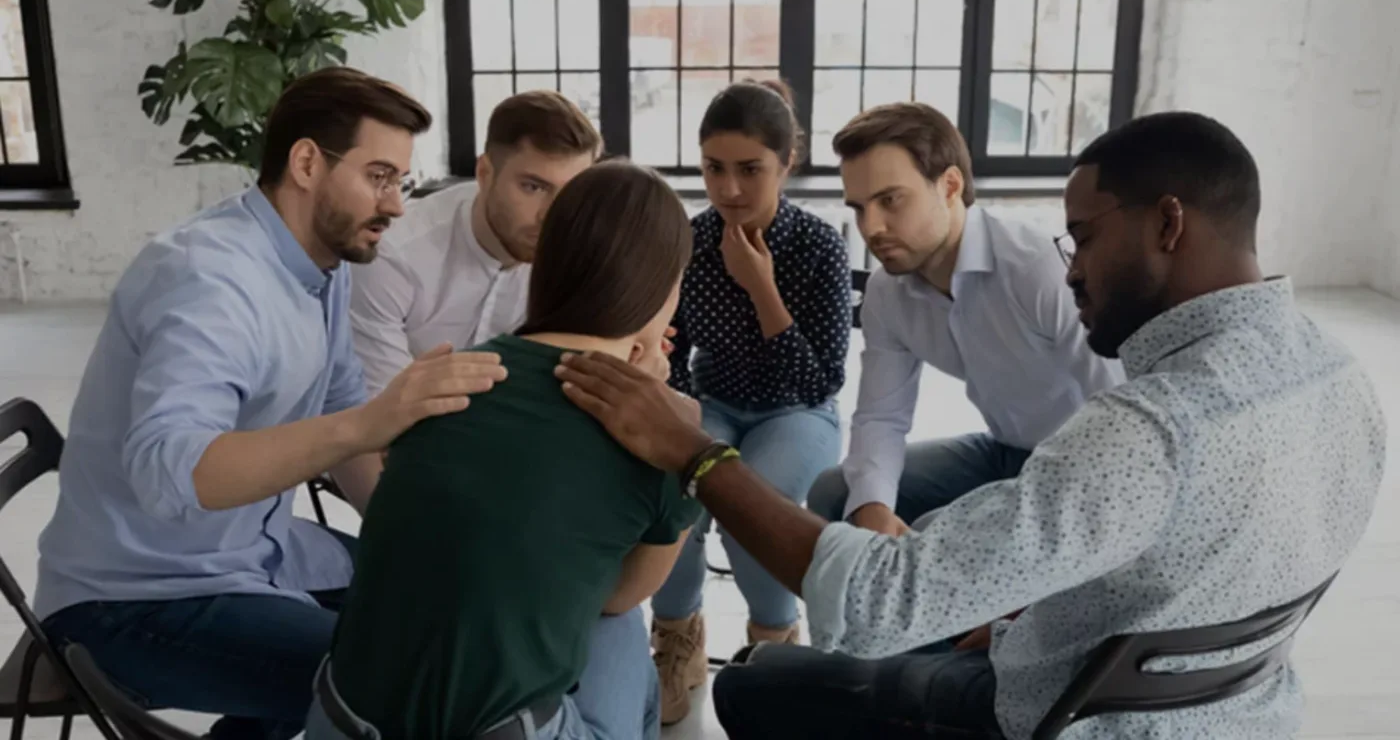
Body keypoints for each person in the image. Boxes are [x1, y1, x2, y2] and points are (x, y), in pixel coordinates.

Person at [555, 112, 1387, 739]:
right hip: (1223, 699)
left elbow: (881, 600)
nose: (1075, 268)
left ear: (1168, 225)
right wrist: (1019, 600)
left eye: (1085, 238)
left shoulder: (1144, 426)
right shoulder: (1337, 373)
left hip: (1067, 712)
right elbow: (887, 417)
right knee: (850, 499)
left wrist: (697, 455)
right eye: (859, 206)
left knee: (749, 685)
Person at [34, 68, 508, 740]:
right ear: (307, 163)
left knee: (442, 601)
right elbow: (171, 470)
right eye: (378, 176)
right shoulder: (209, 279)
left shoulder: (322, 263)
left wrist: (408, 534)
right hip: (134, 598)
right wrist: (366, 425)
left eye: (400, 182)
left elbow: (343, 399)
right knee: (405, 680)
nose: (396, 206)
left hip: (253, 552)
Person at [305, 161, 701, 740]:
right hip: (496, 732)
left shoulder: (450, 374)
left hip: (340, 715)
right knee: (620, 634)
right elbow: (620, 596)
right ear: (667, 288)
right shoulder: (669, 436)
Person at [805, 102, 1123, 538]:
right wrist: (873, 508)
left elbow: (1117, 403)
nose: (872, 227)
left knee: (938, 531)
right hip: (1003, 452)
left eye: (890, 200)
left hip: (1083, 464)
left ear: (950, 186)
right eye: (859, 208)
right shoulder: (886, 293)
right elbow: (881, 416)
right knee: (837, 494)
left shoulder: (1034, 267)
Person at [651, 79, 851, 724]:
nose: (729, 188)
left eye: (750, 169)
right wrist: (683, 414)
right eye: (714, 168)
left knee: (750, 503)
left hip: (798, 412)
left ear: (786, 163)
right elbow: (673, 356)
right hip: (715, 401)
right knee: (672, 488)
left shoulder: (819, 245)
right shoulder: (690, 240)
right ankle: (676, 636)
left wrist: (762, 288)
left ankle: (774, 641)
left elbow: (819, 382)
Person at [350, 90, 600, 395]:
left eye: (571, 193)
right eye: (533, 187)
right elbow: (383, 405)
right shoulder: (391, 256)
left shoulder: (584, 254)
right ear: (484, 173)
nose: (552, 215)